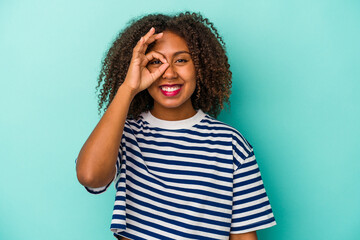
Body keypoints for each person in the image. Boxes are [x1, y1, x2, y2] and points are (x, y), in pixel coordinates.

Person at [76, 12, 276, 240]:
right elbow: (90, 176)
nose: (169, 73)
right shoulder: (124, 135)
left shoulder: (231, 144)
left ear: (200, 66)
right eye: (155, 62)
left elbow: (243, 236)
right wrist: (128, 88)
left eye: (181, 60)